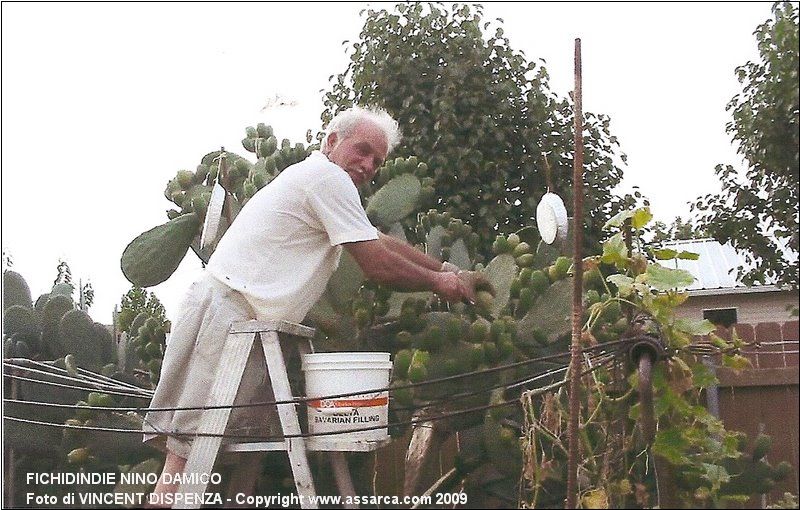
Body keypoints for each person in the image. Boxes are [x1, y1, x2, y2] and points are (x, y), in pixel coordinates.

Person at [142, 105, 486, 504]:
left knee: (215, 454)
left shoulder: (319, 180)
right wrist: (441, 283)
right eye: (362, 150)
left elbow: (377, 238)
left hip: (244, 319)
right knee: (186, 457)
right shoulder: (327, 178)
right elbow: (376, 262)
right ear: (332, 141)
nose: (368, 164)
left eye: (377, 160)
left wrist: (446, 268)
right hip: (230, 315)